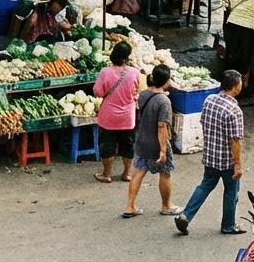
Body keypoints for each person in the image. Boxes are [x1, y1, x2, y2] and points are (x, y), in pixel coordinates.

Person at [174, 70, 245, 236]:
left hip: (210, 155)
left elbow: (204, 122)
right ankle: (228, 225)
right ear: (235, 87)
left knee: (205, 186)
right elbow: (235, 141)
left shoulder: (210, 100)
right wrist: (238, 164)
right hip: (227, 160)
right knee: (231, 191)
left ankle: (185, 215)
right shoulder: (234, 111)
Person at [125, 64, 179, 219]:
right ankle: (166, 206)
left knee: (137, 174)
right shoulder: (164, 101)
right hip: (156, 144)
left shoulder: (143, 95)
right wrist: (163, 150)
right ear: (167, 81)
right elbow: (162, 127)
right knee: (165, 173)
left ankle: (130, 206)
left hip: (141, 140)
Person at [94, 42, 139, 183]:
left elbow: (98, 92)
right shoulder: (135, 72)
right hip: (127, 117)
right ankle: (127, 174)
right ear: (127, 57)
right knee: (128, 145)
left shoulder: (105, 72)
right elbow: (138, 90)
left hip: (109, 117)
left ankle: (107, 175)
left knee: (107, 145)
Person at [222, 0, 254, 87]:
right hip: (247, 26)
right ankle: (242, 81)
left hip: (233, 24)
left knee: (232, 51)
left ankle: (228, 78)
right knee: (245, 53)